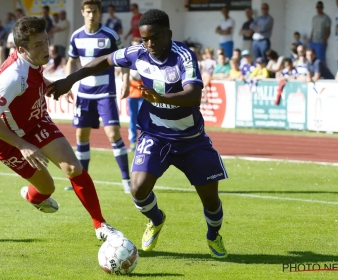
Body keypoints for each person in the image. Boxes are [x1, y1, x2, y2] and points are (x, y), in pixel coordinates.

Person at [46, 9, 229, 259]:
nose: (150, 44)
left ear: (169, 34)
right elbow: (105, 60)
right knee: (138, 188)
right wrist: (71, 79)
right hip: (156, 134)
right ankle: (156, 219)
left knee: (210, 199)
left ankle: (213, 236)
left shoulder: (183, 56)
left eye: (155, 37)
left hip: (190, 140)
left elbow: (194, 95)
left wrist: (161, 98)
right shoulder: (137, 52)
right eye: (145, 39)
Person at [0, 16, 123, 242]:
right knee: (47, 188)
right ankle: (33, 197)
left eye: (46, 41)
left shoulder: (30, 61)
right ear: (21, 49)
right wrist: (23, 145)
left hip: (36, 122)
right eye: (38, 45)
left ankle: (100, 225)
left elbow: (33, 75)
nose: (46, 48)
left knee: (74, 168)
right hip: (7, 139)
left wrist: (46, 85)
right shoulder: (13, 76)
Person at [64, 0, 131, 193]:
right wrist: (68, 84)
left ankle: (126, 180)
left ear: (99, 12)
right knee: (81, 136)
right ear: (83, 12)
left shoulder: (110, 35)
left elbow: (124, 60)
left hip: (106, 93)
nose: (91, 15)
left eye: (94, 11)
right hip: (84, 94)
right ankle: (81, 182)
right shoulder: (76, 36)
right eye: (88, 11)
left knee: (113, 134)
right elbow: (71, 60)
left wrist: (125, 81)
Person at [127, 38, 143, 152]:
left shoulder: (145, 59)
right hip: (132, 95)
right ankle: (133, 142)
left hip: (143, 95)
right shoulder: (128, 60)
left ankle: (143, 143)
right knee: (132, 120)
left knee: (143, 120)